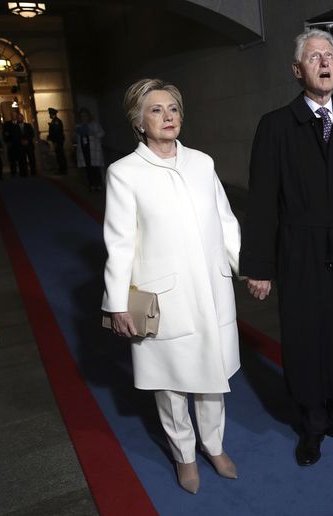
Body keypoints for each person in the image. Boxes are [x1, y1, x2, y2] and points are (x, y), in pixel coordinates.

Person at [240, 29, 333, 467]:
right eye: (314, 57)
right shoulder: (276, 126)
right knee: (308, 335)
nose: (325, 63)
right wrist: (259, 266)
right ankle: (311, 426)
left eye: (330, 56)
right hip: (300, 248)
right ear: (297, 70)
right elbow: (262, 201)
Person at [101, 79, 241, 494]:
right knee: (171, 384)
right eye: (157, 110)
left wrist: (245, 268)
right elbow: (119, 241)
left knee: (213, 377)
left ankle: (214, 446)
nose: (168, 117)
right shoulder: (124, 172)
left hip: (212, 290)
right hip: (163, 298)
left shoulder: (202, 162)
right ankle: (184, 456)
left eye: (173, 109)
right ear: (139, 121)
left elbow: (225, 219)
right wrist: (116, 303)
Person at [75, 108, 106, 191]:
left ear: (88, 116)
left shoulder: (94, 124)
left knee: (95, 168)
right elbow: (76, 138)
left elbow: (102, 133)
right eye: (81, 116)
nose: (83, 118)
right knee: (88, 168)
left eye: (85, 116)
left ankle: (98, 185)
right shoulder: (78, 125)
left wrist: (92, 132)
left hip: (94, 150)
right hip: (84, 149)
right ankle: (91, 185)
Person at [46, 107, 67, 174]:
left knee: (60, 155)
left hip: (58, 141)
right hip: (57, 140)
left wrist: (54, 140)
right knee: (59, 155)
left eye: (50, 114)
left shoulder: (56, 121)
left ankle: (62, 170)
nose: (49, 115)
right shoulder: (54, 121)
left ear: (52, 114)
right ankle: (61, 169)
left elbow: (56, 132)